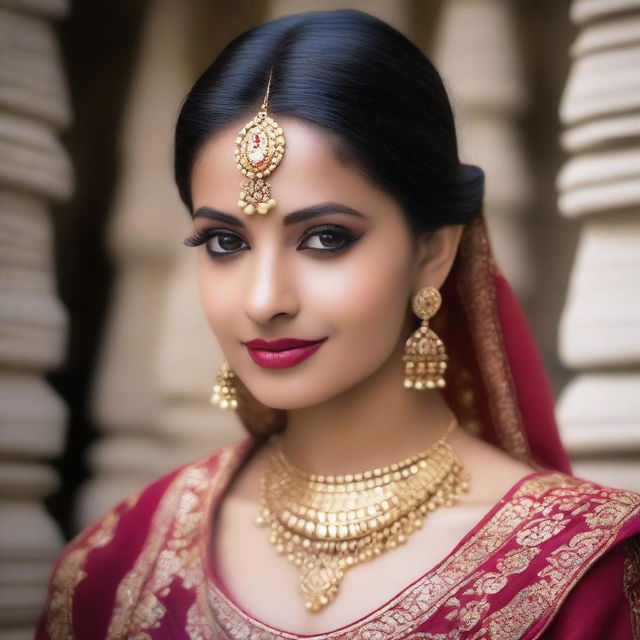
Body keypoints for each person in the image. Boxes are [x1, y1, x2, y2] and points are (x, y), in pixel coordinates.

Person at [36, 9, 640, 639]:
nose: (265, 300)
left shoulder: (582, 575)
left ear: (431, 252)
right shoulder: (112, 567)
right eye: (224, 242)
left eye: (325, 238)